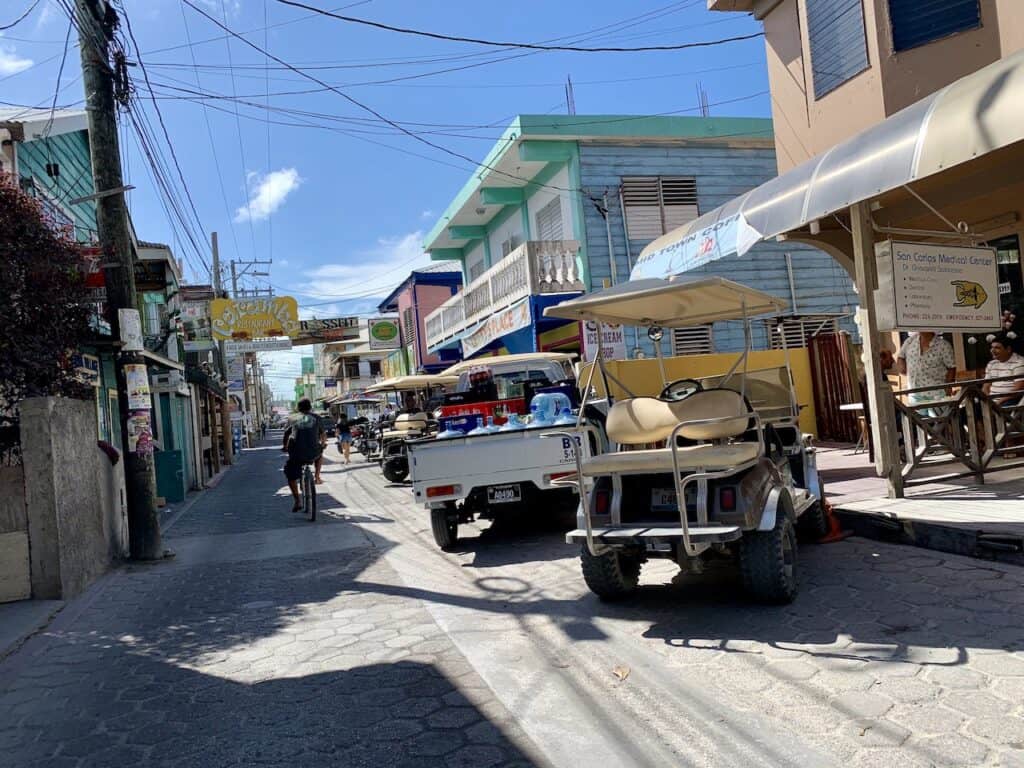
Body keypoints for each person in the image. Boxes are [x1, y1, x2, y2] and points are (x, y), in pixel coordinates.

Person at [281, 398, 326, 511]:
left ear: (298, 408)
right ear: (310, 407)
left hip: (297, 454)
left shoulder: (293, 418)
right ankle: (317, 476)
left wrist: (285, 447)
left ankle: (297, 501)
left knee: (291, 476)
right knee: (320, 453)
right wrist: (323, 444)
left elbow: (286, 435)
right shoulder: (317, 418)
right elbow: (323, 434)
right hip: (313, 452)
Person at [897, 331, 956, 406]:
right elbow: (901, 356)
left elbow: (951, 367)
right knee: (916, 417)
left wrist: (948, 387)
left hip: (936, 393)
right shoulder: (910, 341)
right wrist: (903, 368)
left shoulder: (943, 345)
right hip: (915, 394)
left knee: (939, 417)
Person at [983, 334, 1024, 406]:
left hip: (1009, 401)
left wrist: (998, 402)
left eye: (997, 348)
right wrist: (989, 401)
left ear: (1008, 349)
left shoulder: (1019, 362)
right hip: (992, 401)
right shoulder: (992, 363)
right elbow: (985, 387)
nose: (992, 350)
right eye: (992, 347)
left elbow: (1019, 389)